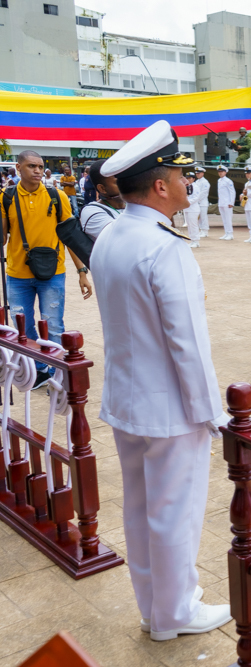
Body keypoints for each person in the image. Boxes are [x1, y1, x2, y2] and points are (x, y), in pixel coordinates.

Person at [90, 122, 231, 641]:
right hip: (171, 408)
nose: (186, 184)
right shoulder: (164, 246)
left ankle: (155, 607)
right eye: (179, 175)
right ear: (159, 186)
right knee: (175, 515)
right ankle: (173, 616)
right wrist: (212, 412)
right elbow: (187, 342)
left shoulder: (110, 235)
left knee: (140, 510)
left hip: (127, 401)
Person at [1, 151, 92, 385]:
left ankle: (57, 374)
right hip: (17, 274)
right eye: (32, 166)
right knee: (23, 326)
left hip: (52, 273)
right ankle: (38, 371)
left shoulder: (56, 195)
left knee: (53, 325)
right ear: (18, 168)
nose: (38, 171)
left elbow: (70, 236)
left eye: (40, 166)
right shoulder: (6, 197)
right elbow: (2, 239)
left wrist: (82, 272)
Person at [79, 158, 124, 241]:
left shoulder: (133, 205)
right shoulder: (92, 212)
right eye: (118, 182)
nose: (126, 184)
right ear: (102, 188)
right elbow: (123, 238)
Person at [216, 165, 236, 240]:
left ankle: (230, 234)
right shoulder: (219, 180)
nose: (220, 173)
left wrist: (231, 202)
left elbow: (232, 192)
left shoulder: (228, 181)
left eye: (222, 172)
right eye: (219, 172)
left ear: (225, 172)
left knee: (228, 219)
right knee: (224, 219)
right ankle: (226, 233)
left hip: (227, 203)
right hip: (221, 202)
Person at [183, 173, 202, 248]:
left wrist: (187, 202)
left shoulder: (195, 186)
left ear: (193, 179)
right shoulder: (187, 186)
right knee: (189, 225)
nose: (188, 179)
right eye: (187, 178)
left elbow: (196, 197)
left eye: (190, 178)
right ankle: (192, 240)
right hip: (187, 208)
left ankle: (196, 241)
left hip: (193, 208)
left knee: (193, 225)